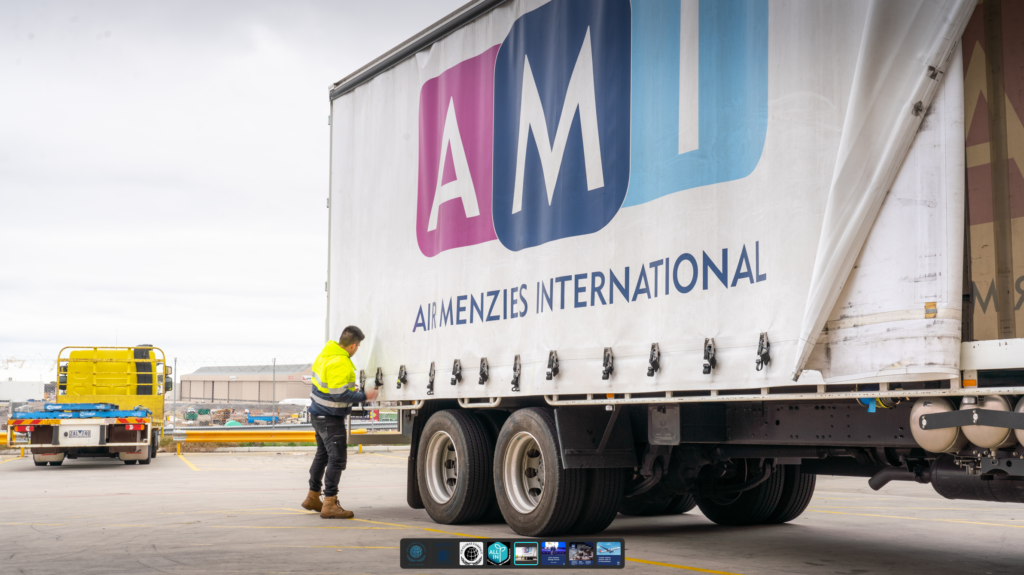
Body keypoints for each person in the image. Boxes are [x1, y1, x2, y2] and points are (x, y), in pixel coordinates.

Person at [301, 325, 378, 519]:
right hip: (330, 417)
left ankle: (312, 496)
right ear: (353, 345)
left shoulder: (325, 355)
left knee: (322, 456)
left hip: (318, 414)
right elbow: (338, 394)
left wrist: (351, 390)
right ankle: (330, 503)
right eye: (358, 346)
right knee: (337, 459)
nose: (357, 349)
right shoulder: (340, 362)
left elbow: (329, 387)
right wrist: (364, 395)